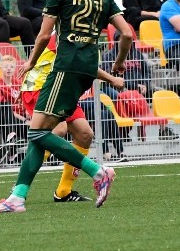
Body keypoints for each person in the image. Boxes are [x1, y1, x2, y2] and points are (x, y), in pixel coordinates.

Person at [0, 0, 133, 213]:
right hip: (87, 68)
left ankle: (97, 173)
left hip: (65, 67)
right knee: (42, 133)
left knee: (38, 132)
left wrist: (29, 61)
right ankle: (18, 197)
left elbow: (43, 33)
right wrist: (119, 65)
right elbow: (127, 34)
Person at [20, 33, 128, 201]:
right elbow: (83, 65)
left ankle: (63, 192)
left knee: (85, 134)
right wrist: (112, 79)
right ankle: (21, 185)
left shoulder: (86, 35)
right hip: (40, 87)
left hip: (62, 88)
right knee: (58, 130)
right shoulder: (68, 31)